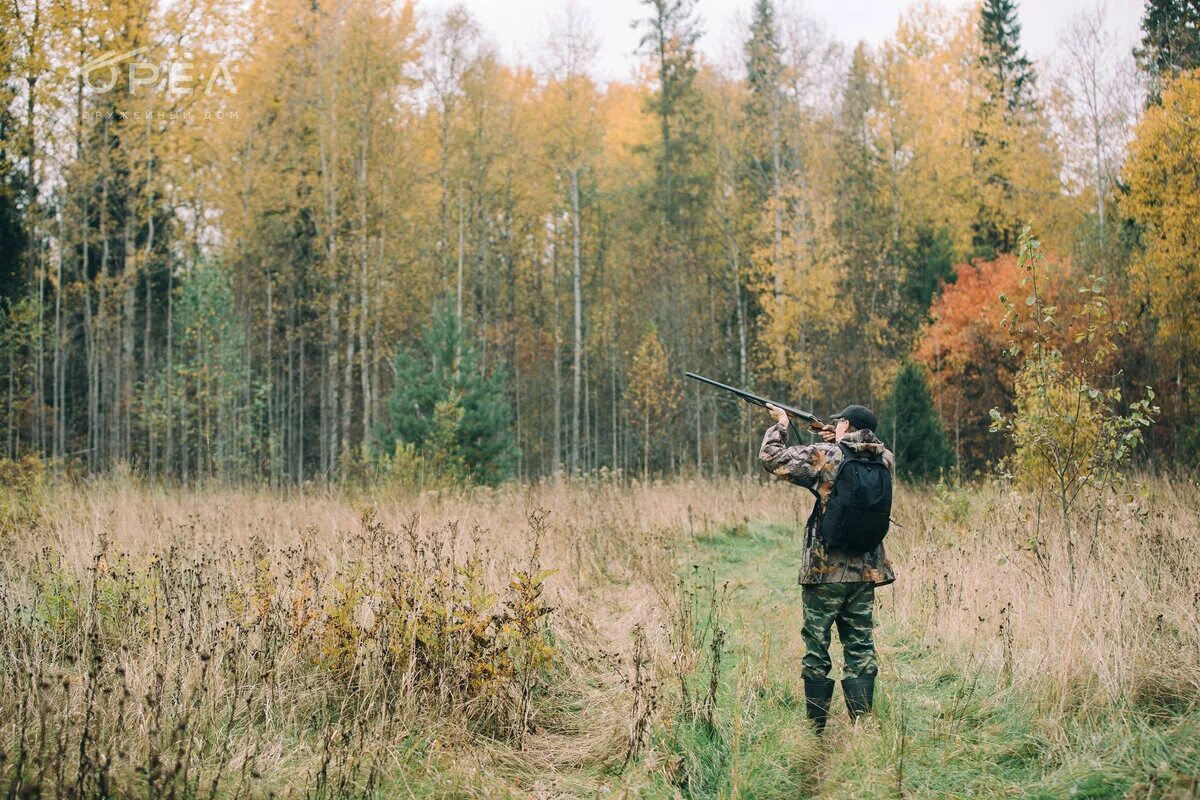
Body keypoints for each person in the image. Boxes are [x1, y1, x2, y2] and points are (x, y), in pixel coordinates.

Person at [759, 402, 896, 734]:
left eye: (840, 423)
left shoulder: (827, 455)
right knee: (860, 645)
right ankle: (862, 724)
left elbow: (772, 458)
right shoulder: (885, 459)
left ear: (845, 425)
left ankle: (815, 731)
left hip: (825, 572)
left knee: (817, 647)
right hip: (866, 571)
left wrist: (781, 424)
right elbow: (856, 452)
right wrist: (834, 435)